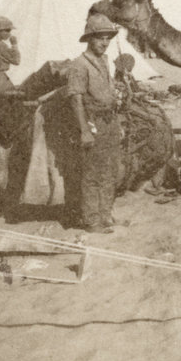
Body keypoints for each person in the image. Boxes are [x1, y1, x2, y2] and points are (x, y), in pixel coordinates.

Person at [66, 13, 122, 233]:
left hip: (110, 122)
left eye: (108, 38)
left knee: (110, 171)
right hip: (92, 123)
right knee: (92, 174)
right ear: (90, 39)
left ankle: (106, 215)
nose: (105, 43)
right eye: (100, 38)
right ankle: (92, 220)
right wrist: (84, 131)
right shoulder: (79, 65)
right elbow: (76, 98)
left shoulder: (104, 61)